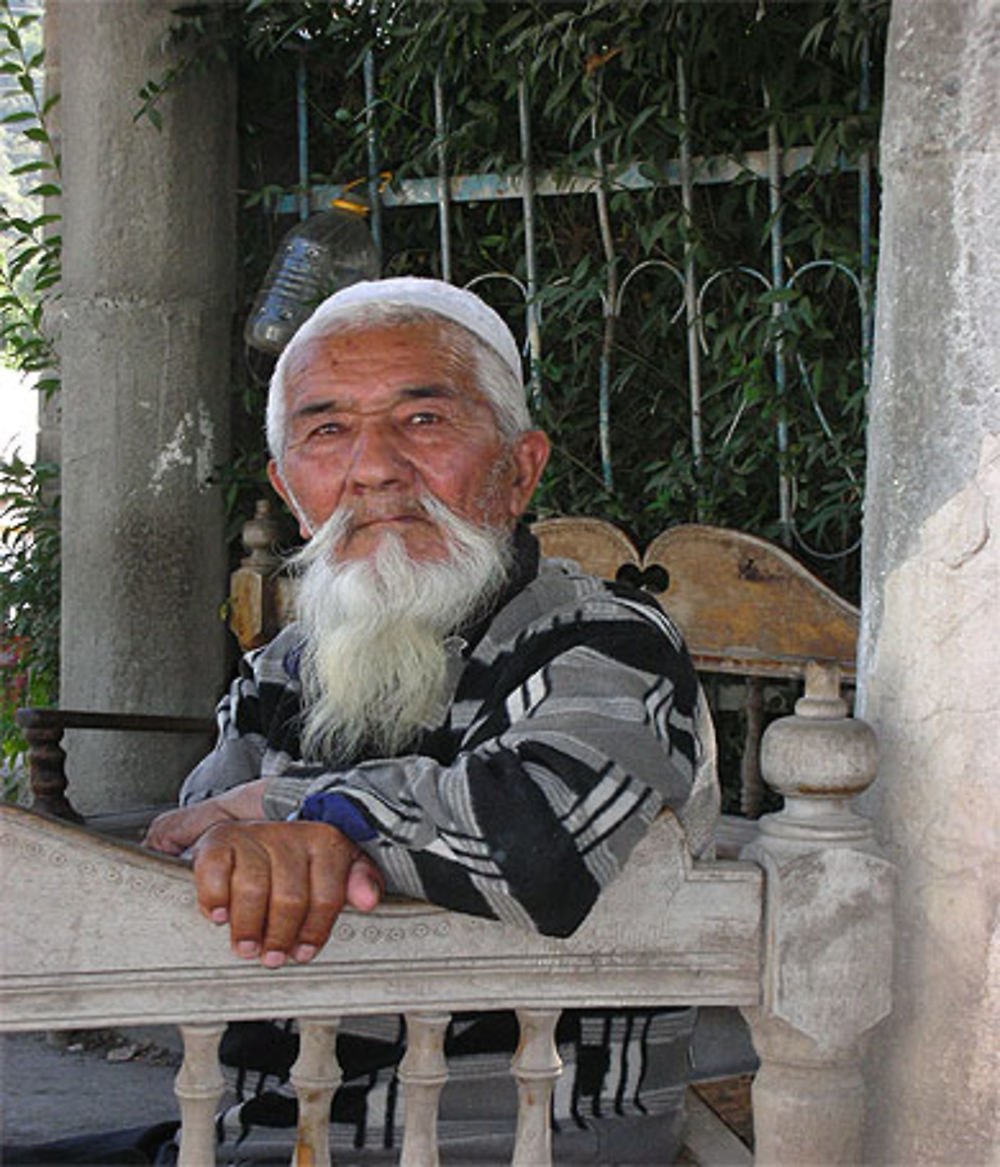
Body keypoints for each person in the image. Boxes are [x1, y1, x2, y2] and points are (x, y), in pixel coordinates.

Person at [143, 276, 718, 1162]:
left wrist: (303, 811)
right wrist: (271, 829)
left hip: (514, 1137)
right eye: (327, 430)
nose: (373, 467)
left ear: (521, 468)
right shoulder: (279, 671)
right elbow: (197, 873)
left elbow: (542, 844)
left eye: (423, 420)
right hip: (258, 1133)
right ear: (290, 489)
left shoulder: (605, 639)